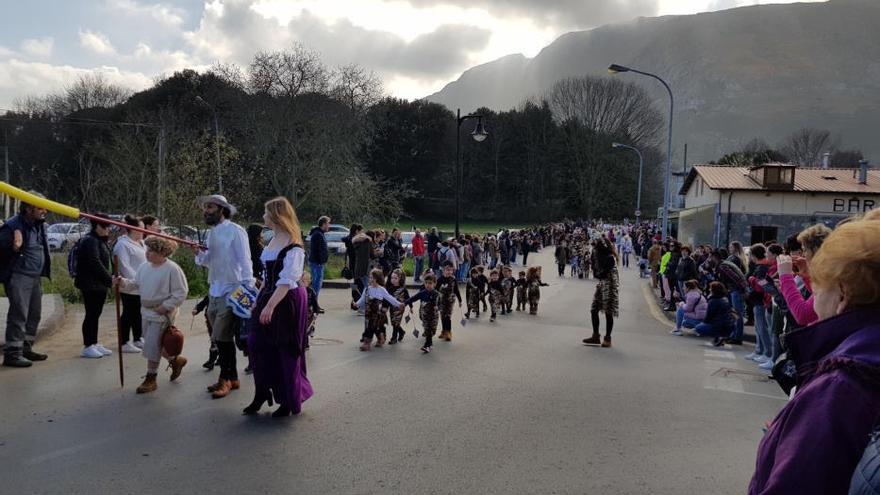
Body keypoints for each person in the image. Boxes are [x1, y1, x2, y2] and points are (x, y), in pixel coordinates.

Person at [749, 219, 880, 495]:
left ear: (843, 292)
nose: (814, 290)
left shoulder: (840, 385)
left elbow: (795, 481)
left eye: (819, 283)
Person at [243, 197, 313, 417]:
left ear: (275, 215)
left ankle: (287, 398)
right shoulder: (272, 241)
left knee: (285, 348)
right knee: (256, 344)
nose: (263, 216)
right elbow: (267, 276)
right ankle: (262, 391)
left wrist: (270, 306)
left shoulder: (294, 245)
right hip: (270, 295)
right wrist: (258, 299)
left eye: (266, 212)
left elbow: (286, 281)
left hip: (287, 299)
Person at [194, 195, 254, 400]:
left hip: (232, 290)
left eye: (210, 207)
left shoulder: (236, 231)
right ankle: (233, 377)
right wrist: (199, 253)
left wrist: (247, 289)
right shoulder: (212, 233)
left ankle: (225, 379)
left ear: (222, 209)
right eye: (205, 207)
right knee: (220, 337)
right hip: (215, 289)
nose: (206, 211)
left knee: (221, 335)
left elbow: (245, 260)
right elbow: (209, 261)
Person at [114, 237, 189, 394]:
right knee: (152, 343)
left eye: (151, 251)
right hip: (146, 311)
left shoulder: (172, 269)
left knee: (153, 346)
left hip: (162, 313)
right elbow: (135, 284)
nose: (147, 254)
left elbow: (181, 292)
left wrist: (165, 307)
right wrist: (122, 282)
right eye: (147, 250)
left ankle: (151, 378)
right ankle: (176, 361)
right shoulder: (144, 266)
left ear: (162, 253)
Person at [0, 193, 51, 367]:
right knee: (18, 314)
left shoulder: (40, 225)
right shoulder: (13, 226)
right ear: (28, 209)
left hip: (35, 277)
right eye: (39, 207)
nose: (44, 211)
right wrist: (14, 247)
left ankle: (26, 349)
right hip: (18, 276)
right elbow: (2, 251)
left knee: (34, 314)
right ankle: (12, 354)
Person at [75, 214, 115, 359]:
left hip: (100, 284)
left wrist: (112, 276)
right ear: (97, 226)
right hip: (90, 284)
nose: (108, 230)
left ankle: (94, 342)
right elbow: (95, 262)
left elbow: (107, 261)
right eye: (106, 226)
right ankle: (88, 345)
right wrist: (109, 279)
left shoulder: (100, 240)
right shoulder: (90, 241)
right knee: (91, 313)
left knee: (96, 314)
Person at [113, 215, 148, 354]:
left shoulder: (142, 243)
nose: (143, 231)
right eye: (140, 228)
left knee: (138, 313)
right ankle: (124, 341)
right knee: (128, 313)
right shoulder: (122, 245)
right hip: (129, 285)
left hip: (143, 284)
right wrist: (136, 281)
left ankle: (138, 337)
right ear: (132, 229)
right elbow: (124, 266)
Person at [583, 237, 619, 348]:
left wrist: (597, 272)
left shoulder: (610, 258)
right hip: (602, 285)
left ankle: (608, 338)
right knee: (594, 309)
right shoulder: (601, 256)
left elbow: (602, 273)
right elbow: (597, 271)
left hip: (610, 287)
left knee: (608, 312)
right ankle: (595, 336)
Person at [356, 268, 402, 351]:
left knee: (370, 327)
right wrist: (356, 304)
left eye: (372, 278)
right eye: (370, 277)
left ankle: (367, 343)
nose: (370, 279)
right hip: (368, 313)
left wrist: (399, 304)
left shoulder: (381, 289)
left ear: (378, 279)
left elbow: (390, 298)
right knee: (376, 328)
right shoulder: (367, 289)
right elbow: (362, 299)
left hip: (377, 314)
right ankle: (381, 337)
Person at [745, 244, 774, 370]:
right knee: (760, 327)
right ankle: (759, 350)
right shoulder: (762, 266)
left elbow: (762, 284)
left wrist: (752, 280)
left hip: (760, 300)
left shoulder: (761, 267)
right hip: (759, 300)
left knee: (762, 328)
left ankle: (765, 352)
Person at [404, 273, 441, 353]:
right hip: (425, 315)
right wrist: (404, 303)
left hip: (434, 316)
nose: (428, 285)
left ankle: (429, 344)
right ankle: (427, 346)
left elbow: (440, 304)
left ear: (434, 284)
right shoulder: (423, 293)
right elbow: (413, 298)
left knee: (432, 331)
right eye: (426, 283)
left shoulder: (436, 294)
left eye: (430, 283)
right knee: (428, 329)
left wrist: (438, 307)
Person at [694, 282, 735, 346]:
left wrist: (703, 322)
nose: (709, 290)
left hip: (718, 325)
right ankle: (721, 336)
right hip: (729, 325)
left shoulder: (713, 301)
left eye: (711, 289)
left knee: (698, 328)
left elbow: (708, 317)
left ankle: (717, 336)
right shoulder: (725, 299)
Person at [308, 215, 330, 311]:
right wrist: (321, 261)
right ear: (324, 224)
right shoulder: (317, 234)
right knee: (316, 285)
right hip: (317, 264)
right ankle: (314, 305)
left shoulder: (319, 233)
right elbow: (317, 250)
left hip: (318, 263)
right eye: (328, 223)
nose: (329, 226)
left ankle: (314, 304)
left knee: (317, 285)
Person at [436, 261, 462, 341]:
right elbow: (436, 291)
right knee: (443, 317)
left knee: (447, 317)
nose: (449, 272)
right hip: (441, 301)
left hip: (450, 301)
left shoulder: (453, 280)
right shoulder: (439, 280)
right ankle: (444, 331)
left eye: (451, 270)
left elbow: (456, 290)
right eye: (447, 270)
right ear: (443, 270)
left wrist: (460, 300)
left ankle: (449, 332)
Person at [386, 269, 410, 344]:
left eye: (395, 278)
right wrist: (385, 307)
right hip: (392, 308)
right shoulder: (390, 288)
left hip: (400, 308)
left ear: (401, 279)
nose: (393, 280)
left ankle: (394, 338)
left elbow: (408, 298)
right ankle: (401, 331)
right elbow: (387, 299)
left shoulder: (403, 289)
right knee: (393, 322)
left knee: (396, 322)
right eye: (392, 278)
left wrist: (411, 306)